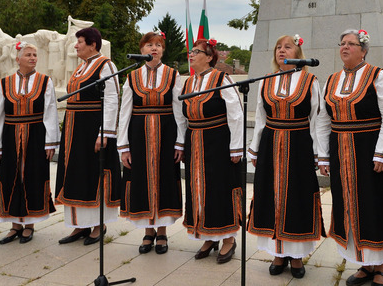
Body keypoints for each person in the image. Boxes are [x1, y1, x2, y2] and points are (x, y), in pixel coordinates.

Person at [315, 29, 383, 285]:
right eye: (342, 43)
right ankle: (365, 265)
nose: (345, 47)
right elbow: (322, 119)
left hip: (370, 155)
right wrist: (324, 156)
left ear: (363, 50)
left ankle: (381, 267)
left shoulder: (378, 76)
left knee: (374, 206)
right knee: (349, 208)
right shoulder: (331, 80)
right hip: (341, 155)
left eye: (351, 44)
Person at [247, 35, 325, 278]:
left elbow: (317, 118)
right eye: (278, 47)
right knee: (271, 196)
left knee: (297, 198)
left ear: (298, 52)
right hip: (270, 144)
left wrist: (318, 153)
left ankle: (297, 256)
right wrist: (255, 148)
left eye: (287, 46)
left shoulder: (310, 80)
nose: (282, 51)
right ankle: (278, 254)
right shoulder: (266, 81)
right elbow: (260, 117)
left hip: (299, 144)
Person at [117, 31, 185, 255]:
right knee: (142, 180)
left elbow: (179, 110)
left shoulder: (173, 75)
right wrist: (123, 146)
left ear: (163, 50)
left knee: (164, 180)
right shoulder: (132, 77)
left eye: (158, 45)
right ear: (142, 50)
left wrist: (180, 141)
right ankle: (148, 230)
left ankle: (162, 231)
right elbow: (125, 111)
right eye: (149, 45)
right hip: (139, 136)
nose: (153, 49)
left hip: (166, 135)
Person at [54, 27, 122, 245]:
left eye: (80, 41)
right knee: (75, 175)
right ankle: (79, 225)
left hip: (92, 130)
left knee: (92, 175)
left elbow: (112, 100)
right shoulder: (80, 68)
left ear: (93, 44)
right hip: (74, 130)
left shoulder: (106, 65)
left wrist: (105, 133)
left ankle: (97, 225)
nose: (76, 45)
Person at [180, 38, 244, 264]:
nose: (191, 55)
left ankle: (228, 238)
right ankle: (208, 235)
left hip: (217, 141)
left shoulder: (222, 78)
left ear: (209, 57)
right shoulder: (188, 82)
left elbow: (236, 114)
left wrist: (236, 146)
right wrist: (180, 144)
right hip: (194, 140)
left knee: (219, 188)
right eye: (191, 51)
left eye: (196, 52)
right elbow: (181, 117)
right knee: (197, 188)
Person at [0, 41, 59, 244]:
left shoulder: (45, 81)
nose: (32, 58)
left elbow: (50, 111)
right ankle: (14, 225)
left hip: (36, 134)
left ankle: (29, 225)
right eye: (28, 54)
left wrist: (50, 143)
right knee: (11, 177)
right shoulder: (5, 83)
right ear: (18, 59)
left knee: (32, 177)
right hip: (10, 135)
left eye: (35, 55)